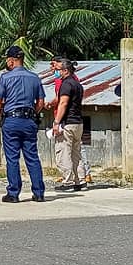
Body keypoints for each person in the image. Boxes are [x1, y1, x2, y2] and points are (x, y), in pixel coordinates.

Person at [0, 45, 47, 203]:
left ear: (11, 60)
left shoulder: (5, 78)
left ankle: (13, 193)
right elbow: (41, 102)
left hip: (11, 120)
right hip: (29, 120)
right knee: (32, 157)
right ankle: (38, 193)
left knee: (12, 158)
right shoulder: (35, 78)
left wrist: (0, 115)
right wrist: (34, 114)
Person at [53, 58, 85, 191]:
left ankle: (68, 181)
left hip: (68, 123)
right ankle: (80, 180)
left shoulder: (66, 84)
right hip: (78, 122)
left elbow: (63, 103)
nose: (57, 72)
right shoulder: (78, 84)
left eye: (59, 69)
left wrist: (56, 122)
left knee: (63, 152)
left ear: (65, 70)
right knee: (76, 152)